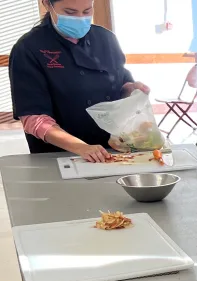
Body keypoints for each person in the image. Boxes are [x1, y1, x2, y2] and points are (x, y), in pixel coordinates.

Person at [9, 0, 149, 161]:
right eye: (70, 12)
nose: (80, 18)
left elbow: (120, 83)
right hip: (59, 154)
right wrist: (80, 147)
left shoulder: (106, 39)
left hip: (114, 148)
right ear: (48, 4)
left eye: (87, 11)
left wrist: (132, 89)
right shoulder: (29, 48)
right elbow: (33, 119)